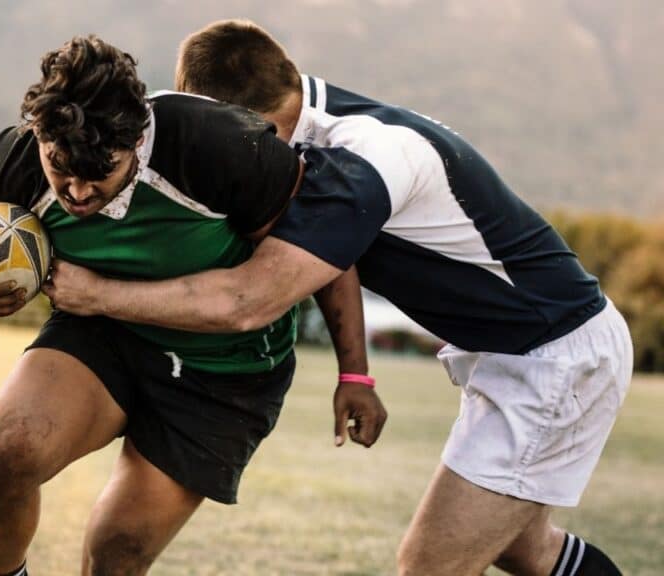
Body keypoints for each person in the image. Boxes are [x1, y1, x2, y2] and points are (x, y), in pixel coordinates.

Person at [43, 20, 633, 576]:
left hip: (555, 355)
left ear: (235, 120)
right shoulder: (316, 135)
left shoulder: (363, 155)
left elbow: (250, 301)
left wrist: (97, 295)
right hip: (522, 351)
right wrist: (357, 374)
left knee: (427, 564)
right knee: (527, 552)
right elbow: (333, 251)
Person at [0, 34, 385, 576]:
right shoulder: (21, 156)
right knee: (7, 451)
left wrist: (356, 375)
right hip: (105, 333)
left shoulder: (219, 146)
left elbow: (326, 245)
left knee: (115, 552)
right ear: (41, 137)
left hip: (225, 370)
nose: (77, 193)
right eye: (60, 169)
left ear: (138, 139)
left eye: (99, 174)